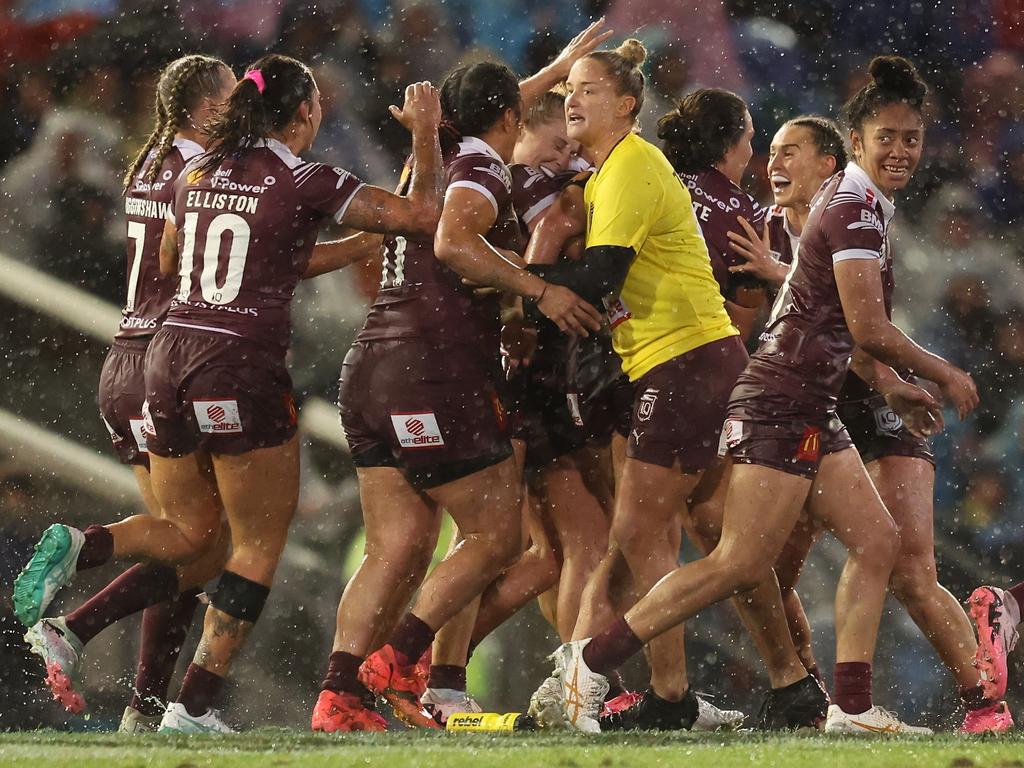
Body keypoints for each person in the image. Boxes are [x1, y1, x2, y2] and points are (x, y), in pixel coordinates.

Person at [546, 55, 979, 736]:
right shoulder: (854, 208)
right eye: (886, 137)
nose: (900, 150)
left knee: (876, 540)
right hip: (777, 395)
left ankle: (851, 710)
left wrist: (892, 384)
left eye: (911, 138)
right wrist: (943, 373)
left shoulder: (853, 206)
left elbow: (836, 325)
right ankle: (593, 660)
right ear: (855, 144)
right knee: (735, 560)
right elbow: (863, 325)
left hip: (799, 396)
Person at [14, 53, 446, 733]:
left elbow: (169, 259)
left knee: (192, 539)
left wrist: (325, 248)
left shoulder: (190, 170)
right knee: (255, 545)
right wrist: (425, 133)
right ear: (305, 113)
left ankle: (86, 554)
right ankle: (192, 705)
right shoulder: (302, 175)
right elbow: (424, 215)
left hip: (162, 355)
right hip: (237, 362)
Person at [313, 28, 611, 732]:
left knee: (397, 548)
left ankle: (338, 695)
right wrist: (534, 292)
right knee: (495, 537)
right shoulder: (479, 164)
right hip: (431, 370)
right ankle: (403, 663)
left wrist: (553, 73)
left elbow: (493, 110)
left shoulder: (439, 150)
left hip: (372, 369)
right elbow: (451, 239)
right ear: (508, 121)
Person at [516, 39, 801, 733]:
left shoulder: (632, 168)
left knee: (649, 535)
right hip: (690, 361)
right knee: (718, 542)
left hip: (685, 363)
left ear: (627, 105)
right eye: (569, 90)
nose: (572, 100)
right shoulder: (617, 169)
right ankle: (779, 684)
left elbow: (599, 280)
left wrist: (507, 282)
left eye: (587, 89)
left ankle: (617, 678)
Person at [732, 114, 1012, 733]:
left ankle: (983, 705)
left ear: (831, 165)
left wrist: (897, 382)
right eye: (770, 153)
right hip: (811, 409)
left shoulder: (857, 216)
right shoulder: (762, 232)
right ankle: (804, 693)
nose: (774, 166)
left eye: (790, 153)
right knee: (767, 567)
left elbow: (859, 330)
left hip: (875, 403)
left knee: (911, 569)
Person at [17, 54, 237, 732]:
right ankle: (81, 554)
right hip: (169, 364)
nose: (240, 108)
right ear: (206, 107)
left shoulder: (150, 162)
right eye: (231, 97)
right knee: (201, 537)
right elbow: (181, 260)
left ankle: (141, 709)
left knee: (193, 548)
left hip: (126, 358)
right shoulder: (201, 173)